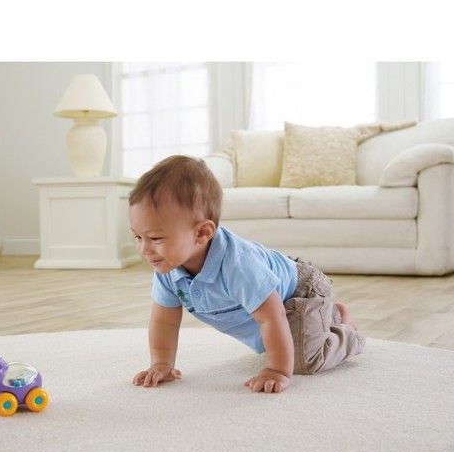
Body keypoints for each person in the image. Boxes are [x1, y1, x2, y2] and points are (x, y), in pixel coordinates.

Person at [129, 155, 365, 394]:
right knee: (278, 341)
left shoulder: (237, 265)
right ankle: (327, 316)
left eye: (156, 238)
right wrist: (161, 364)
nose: (144, 249)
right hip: (275, 300)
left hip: (301, 292)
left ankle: (345, 330)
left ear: (202, 233)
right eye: (138, 237)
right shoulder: (168, 267)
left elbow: (271, 317)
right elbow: (164, 321)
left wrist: (277, 370)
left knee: (303, 361)